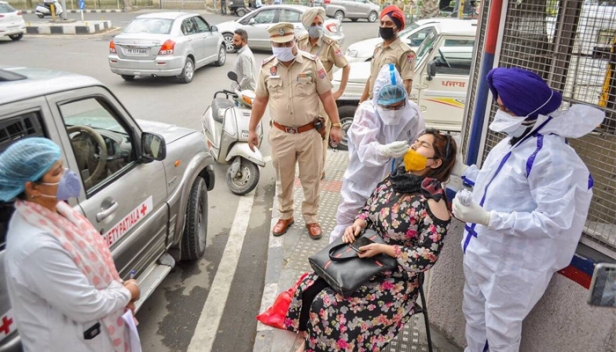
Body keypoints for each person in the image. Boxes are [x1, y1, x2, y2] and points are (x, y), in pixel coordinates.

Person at [451, 67, 605, 352]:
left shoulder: (553, 157)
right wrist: (461, 171)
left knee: (500, 333)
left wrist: (487, 218)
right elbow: (497, 183)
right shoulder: (514, 141)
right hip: (481, 253)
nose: (501, 114)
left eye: (506, 109)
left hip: (512, 266)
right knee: (475, 319)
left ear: (530, 112)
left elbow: (552, 221)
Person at [284, 130, 457, 352]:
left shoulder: (434, 203)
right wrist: (358, 224)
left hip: (395, 278)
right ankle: (310, 339)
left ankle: (320, 346)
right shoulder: (396, 178)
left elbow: (427, 257)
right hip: (364, 259)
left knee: (330, 305)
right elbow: (368, 208)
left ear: (435, 162)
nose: (413, 146)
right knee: (310, 286)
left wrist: (385, 249)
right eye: (415, 141)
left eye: (422, 145)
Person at [0, 138, 141, 352]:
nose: (68, 175)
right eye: (57, 173)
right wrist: (127, 292)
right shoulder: (36, 247)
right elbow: (87, 305)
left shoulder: (56, 210)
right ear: (32, 188)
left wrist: (118, 289)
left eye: (62, 166)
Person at [248, 23, 343, 240]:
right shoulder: (266, 67)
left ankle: (311, 218)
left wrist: (336, 125)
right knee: (284, 179)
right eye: (278, 44)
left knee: (311, 179)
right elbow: (260, 100)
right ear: (272, 44)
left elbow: (326, 96)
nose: (283, 47)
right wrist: (252, 129)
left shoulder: (311, 63)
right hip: (281, 135)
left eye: (287, 43)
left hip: (310, 134)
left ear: (294, 41)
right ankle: (285, 215)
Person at [329, 63, 425, 243]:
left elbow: (420, 141)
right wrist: (384, 150)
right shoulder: (367, 111)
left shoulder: (412, 111)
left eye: (398, 106)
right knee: (346, 225)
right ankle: (333, 263)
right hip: (361, 182)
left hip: (395, 185)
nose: (394, 111)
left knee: (383, 230)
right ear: (377, 100)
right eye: (388, 107)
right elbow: (365, 150)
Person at [297, 7, 350, 179]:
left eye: (320, 23)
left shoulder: (329, 45)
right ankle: (305, 168)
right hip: (303, 96)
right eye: (313, 24)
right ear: (307, 25)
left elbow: (346, 66)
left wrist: (340, 91)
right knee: (302, 133)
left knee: (320, 134)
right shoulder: (300, 42)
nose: (317, 26)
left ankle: (319, 170)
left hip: (322, 98)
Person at [360, 5, 416, 104]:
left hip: (389, 106)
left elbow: (407, 84)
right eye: (382, 23)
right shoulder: (378, 49)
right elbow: (372, 77)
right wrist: (361, 104)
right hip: (372, 104)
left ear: (398, 28)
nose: (384, 26)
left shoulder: (405, 52)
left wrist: (395, 108)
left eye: (389, 23)